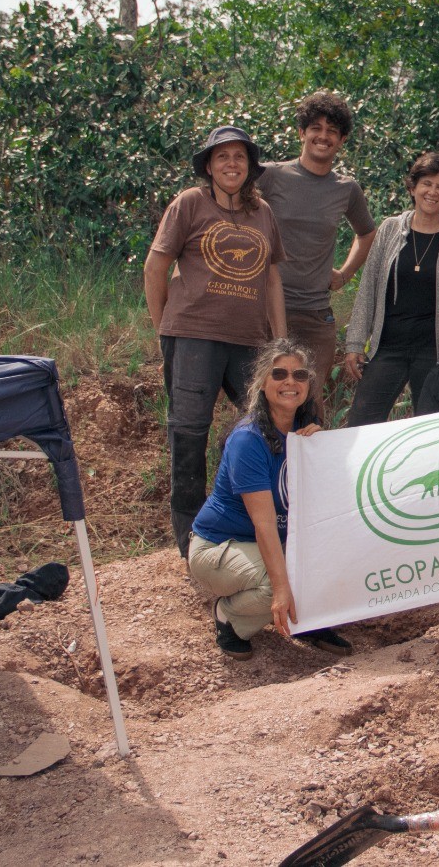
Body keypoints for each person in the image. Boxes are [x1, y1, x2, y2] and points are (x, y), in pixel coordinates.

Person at [144, 125, 287, 558]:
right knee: (189, 435)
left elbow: (273, 278)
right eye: (222, 157)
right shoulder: (190, 203)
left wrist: (280, 344)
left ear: (250, 167)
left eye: (239, 157)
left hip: (250, 341)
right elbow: (156, 266)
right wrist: (165, 328)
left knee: (265, 428)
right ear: (209, 165)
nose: (231, 164)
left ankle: (257, 524)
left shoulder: (262, 212)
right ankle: (191, 543)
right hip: (193, 337)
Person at [187, 340, 354, 659]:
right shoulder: (248, 440)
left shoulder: (305, 436)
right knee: (277, 584)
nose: (290, 381)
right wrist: (281, 589)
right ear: (263, 383)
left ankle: (307, 620)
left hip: (278, 544)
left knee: (332, 558)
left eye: (300, 374)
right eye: (279, 374)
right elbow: (263, 525)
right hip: (222, 546)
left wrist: (320, 452)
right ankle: (230, 617)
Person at [258, 91, 378, 419]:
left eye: (332, 131)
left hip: (315, 317)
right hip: (264, 311)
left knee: (309, 405)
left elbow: (367, 232)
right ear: (301, 132)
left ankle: (305, 471)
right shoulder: (270, 175)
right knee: (259, 403)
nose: (323, 136)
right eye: (315, 127)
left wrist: (344, 274)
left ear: (342, 140)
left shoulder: (346, 189)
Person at [343, 152, 439, 426]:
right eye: (426, 183)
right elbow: (368, 287)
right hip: (388, 347)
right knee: (360, 423)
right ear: (413, 187)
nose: (433, 192)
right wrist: (356, 342)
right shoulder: (390, 229)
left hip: (435, 350)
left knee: (431, 429)